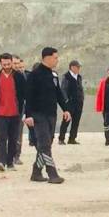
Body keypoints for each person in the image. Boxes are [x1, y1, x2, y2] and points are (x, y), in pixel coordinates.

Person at [23, 47, 72, 184]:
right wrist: (28, 115)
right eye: (55, 57)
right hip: (38, 115)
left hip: (51, 114)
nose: (57, 60)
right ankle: (52, 173)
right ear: (47, 58)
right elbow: (29, 97)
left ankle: (36, 172)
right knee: (44, 144)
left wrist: (66, 109)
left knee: (47, 143)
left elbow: (58, 94)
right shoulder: (34, 75)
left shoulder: (54, 75)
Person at [0, 53, 26, 172]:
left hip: (15, 113)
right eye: (4, 64)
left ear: (11, 62)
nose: (7, 66)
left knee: (13, 139)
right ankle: (0, 161)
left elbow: (25, 96)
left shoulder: (19, 77)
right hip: (0, 113)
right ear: (0, 63)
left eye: (9, 64)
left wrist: (27, 113)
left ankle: (10, 162)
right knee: (1, 138)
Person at [58, 60, 84, 145]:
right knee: (66, 121)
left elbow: (80, 88)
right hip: (70, 103)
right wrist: (66, 100)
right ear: (72, 67)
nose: (79, 68)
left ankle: (72, 139)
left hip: (79, 103)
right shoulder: (66, 76)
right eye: (78, 67)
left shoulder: (79, 77)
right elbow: (63, 89)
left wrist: (82, 98)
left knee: (76, 121)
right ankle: (61, 139)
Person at [12, 55, 28, 165]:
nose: (17, 66)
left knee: (18, 133)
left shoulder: (24, 76)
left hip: (20, 109)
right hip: (6, 109)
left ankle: (16, 156)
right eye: (15, 64)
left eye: (19, 64)